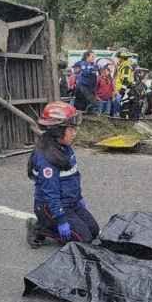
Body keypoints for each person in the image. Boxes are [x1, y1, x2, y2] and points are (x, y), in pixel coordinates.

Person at [25, 102, 100, 247]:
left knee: (94, 231)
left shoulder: (64, 148)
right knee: (84, 240)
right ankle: (40, 228)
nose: (74, 133)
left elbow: (73, 177)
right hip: (50, 207)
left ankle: (53, 224)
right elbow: (50, 193)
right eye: (71, 129)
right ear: (57, 131)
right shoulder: (46, 158)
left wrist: (79, 198)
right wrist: (61, 219)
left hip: (70, 202)